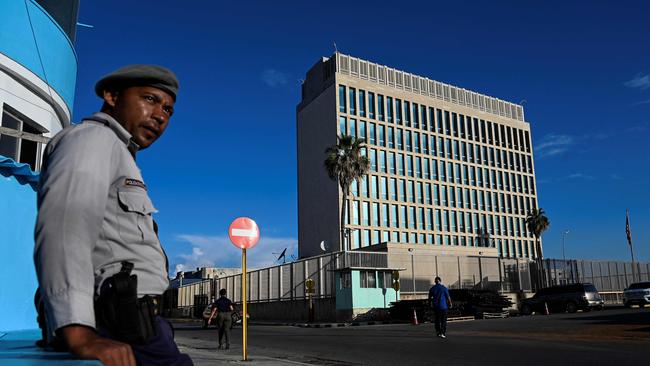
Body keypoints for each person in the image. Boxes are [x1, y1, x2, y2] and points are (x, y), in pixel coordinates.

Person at [34, 65, 193, 366]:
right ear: (111, 96)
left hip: (138, 325)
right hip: (118, 325)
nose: (160, 115)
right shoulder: (93, 139)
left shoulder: (121, 155)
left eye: (169, 110)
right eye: (149, 99)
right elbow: (66, 226)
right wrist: (78, 332)